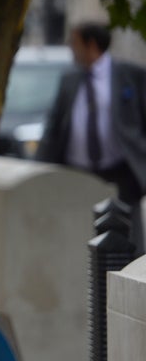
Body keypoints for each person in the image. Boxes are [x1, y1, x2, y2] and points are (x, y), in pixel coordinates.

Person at [38, 21, 146, 253]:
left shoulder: (130, 75)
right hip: (77, 174)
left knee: (130, 244)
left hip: (121, 174)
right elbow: (54, 128)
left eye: (74, 42)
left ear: (91, 44)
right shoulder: (70, 80)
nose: (70, 48)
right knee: (79, 242)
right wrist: (39, 169)